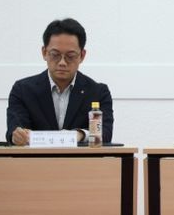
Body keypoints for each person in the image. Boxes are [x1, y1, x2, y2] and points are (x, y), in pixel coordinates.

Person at [6, 18, 114, 146]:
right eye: (55, 55)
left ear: (82, 55)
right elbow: (15, 129)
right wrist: (17, 136)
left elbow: (105, 133)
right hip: (36, 158)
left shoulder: (98, 92)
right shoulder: (22, 90)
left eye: (70, 56)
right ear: (44, 52)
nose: (62, 62)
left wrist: (80, 134)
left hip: (80, 159)